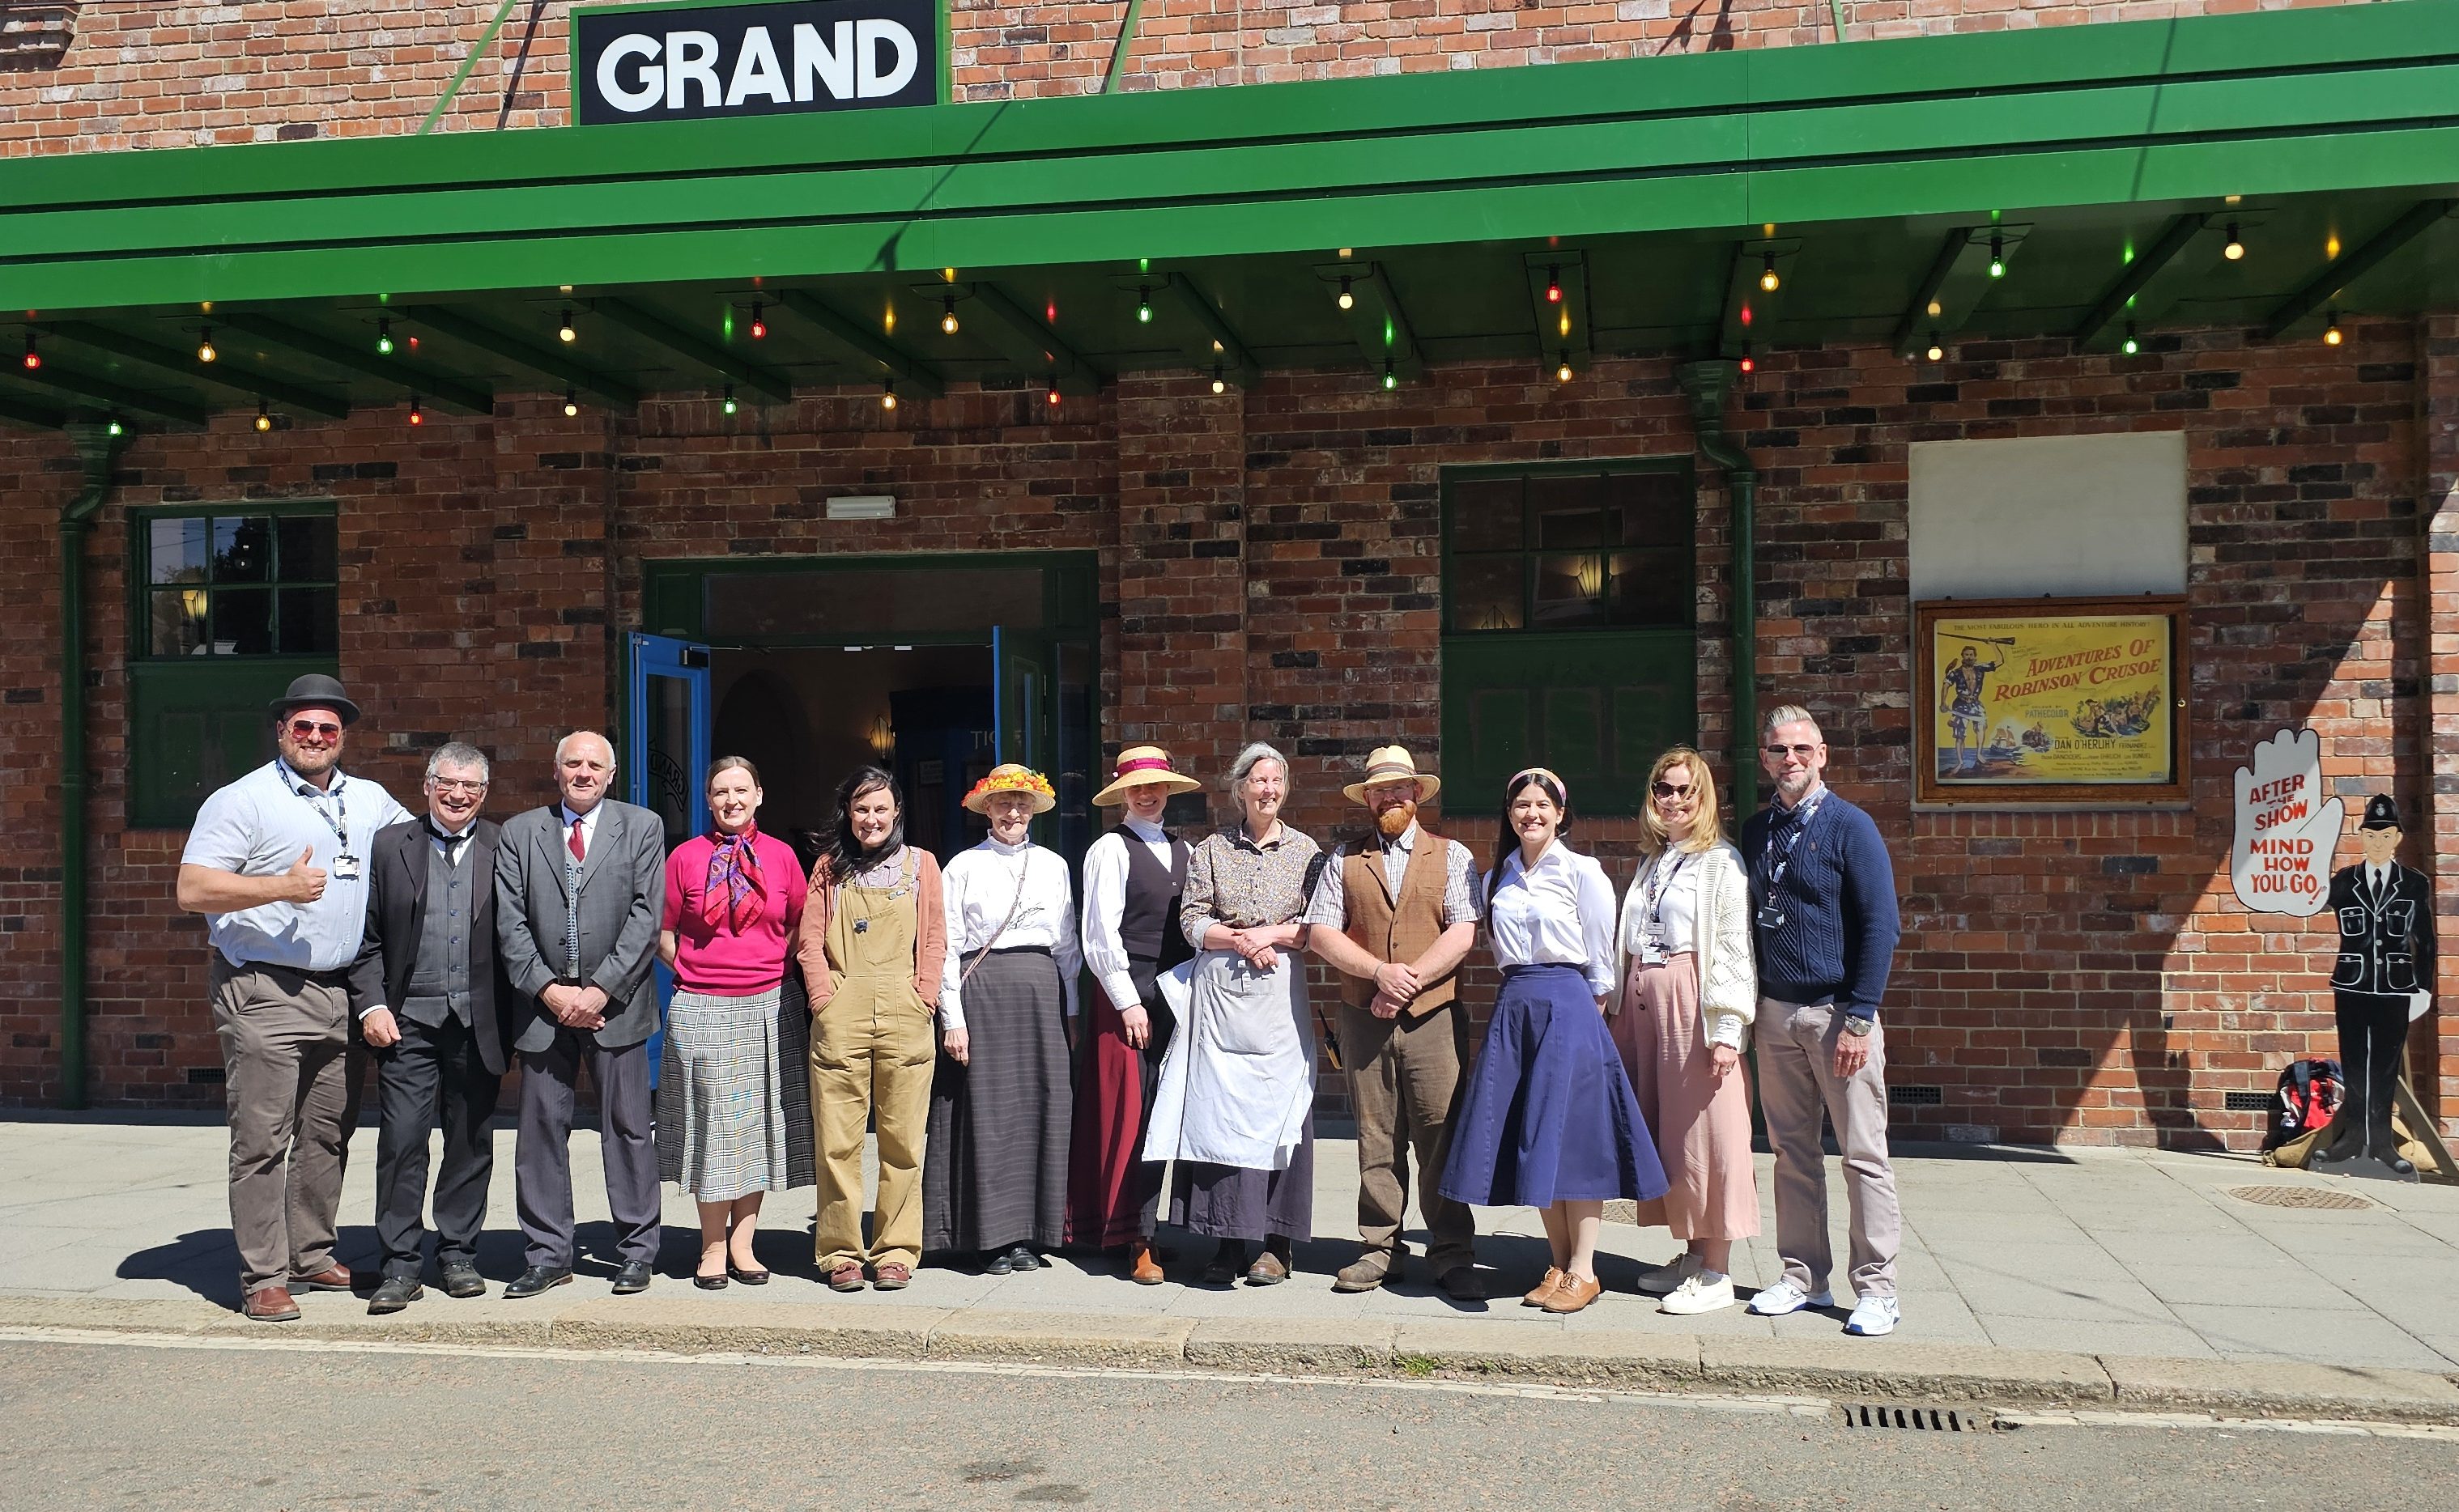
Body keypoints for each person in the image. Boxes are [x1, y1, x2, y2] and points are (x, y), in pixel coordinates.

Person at [177, 674, 410, 1321]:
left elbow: (420, 848)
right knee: (261, 1138)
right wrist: (277, 887)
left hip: (342, 991)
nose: (314, 738)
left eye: (328, 729)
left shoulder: (368, 799)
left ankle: (310, 1253)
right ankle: (262, 1276)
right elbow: (193, 889)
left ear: (343, 738)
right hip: (265, 989)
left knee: (328, 1133)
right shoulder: (242, 800)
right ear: (281, 731)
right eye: (302, 727)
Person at [1439, 767, 1666, 1316]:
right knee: (1531, 1136)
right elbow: (1496, 950)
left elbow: (1601, 955)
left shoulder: (1582, 871)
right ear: (1509, 813)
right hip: (1516, 1009)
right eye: (1521, 805)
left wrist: (1588, 1020)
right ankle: (1559, 1264)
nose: (1531, 813)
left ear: (1561, 813)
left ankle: (1586, 1269)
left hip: (1568, 1006)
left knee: (1575, 1142)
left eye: (1542, 804)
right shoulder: (1496, 878)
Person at [1740, 705, 1904, 1337]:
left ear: (1823, 754)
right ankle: (1803, 1277)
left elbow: (1880, 926)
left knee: (1863, 1155)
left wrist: (1860, 1017)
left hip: (1839, 1013)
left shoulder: (1850, 827)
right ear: (1764, 758)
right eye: (1779, 750)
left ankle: (1877, 1289)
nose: (1791, 760)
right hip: (1775, 1014)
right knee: (1791, 1153)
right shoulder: (1757, 833)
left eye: (1802, 749)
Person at [1304, 745, 1484, 1302]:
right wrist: (1379, 973)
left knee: (1439, 1134)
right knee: (1376, 1137)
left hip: (1433, 1017)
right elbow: (1321, 933)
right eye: (1380, 789)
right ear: (1368, 799)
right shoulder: (1342, 860)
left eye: (1400, 787)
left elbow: (1462, 929)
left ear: (1417, 794)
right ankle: (1379, 1248)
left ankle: (1451, 1250)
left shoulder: (1452, 856)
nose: (1391, 796)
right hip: (1364, 1019)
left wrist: (1409, 981)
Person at [494, 730, 668, 1299]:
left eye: (595, 765)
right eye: (574, 764)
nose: (584, 773)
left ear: (611, 774)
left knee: (626, 1130)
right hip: (544, 1011)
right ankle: (548, 1254)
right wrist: (549, 991)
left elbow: (646, 917)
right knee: (540, 1132)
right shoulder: (521, 833)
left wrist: (598, 992)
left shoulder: (641, 827)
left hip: (614, 1008)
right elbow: (509, 923)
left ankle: (637, 1251)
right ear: (556, 770)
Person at [347, 741, 515, 1314]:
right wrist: (371, 1005)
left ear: (484, 794)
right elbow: (367, 938)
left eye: (472, 787)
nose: (459, 794)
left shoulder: (503, 845)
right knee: (402, 1142)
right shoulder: (391, 845)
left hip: (479, 1019)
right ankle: (399, 1265)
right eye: (449, 783)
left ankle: (459, 1254)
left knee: (470, 1142)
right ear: (427, 785)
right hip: (407, 1021)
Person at [1144, 742, 1321, 1286]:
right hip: (1220, 996)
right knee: (1218, 1111)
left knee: (1279, 1110)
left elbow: (1314, 925)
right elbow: (1191, 921)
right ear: (1239, 788)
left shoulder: (1306, 851)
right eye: (1258, 781)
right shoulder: (1212, 851)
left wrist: (1266, 936)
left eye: (1276, 781)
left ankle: (1275, 1244)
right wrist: (1242, 942)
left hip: (1278, 999)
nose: (1268, 789)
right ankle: (1224, 1239)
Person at [1610, 746, 1758, 1316]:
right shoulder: (1656, 860)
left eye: (1684, 790)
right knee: (1673, 1138)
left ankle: (1718, 1270)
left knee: (1710, 1135)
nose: (1672, 800)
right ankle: (1693, 1255)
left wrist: (1726, 1029)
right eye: (1663, 789)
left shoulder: (1719, 862)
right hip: (1645, 1005)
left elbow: (1730, 947)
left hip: (1691, 1006)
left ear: (1703, 798)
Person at [656, 757, 812, 1289]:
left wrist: (770, 968)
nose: (731, 800)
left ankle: (744, 1245)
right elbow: (663, 928)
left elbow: (798, 923)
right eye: (720, 791)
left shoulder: (783, 857)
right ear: (708, 799)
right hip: (701, 1004)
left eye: (740, 790)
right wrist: (694, 969)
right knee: (712, 1127)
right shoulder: (685, 857)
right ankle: (711, 1246)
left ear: (759, 795)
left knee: (755, 1127)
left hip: (769, 1002)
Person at [795, 766, 947, 1293]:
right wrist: (823, 999)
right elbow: (808, 943)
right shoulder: (827, 870)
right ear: (849, 813)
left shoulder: (922, 867)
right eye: (861, 808)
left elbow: (934, 940)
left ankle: (895, 1251)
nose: (871, 818)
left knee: (902, 1141)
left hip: (906, 1015)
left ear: (896, 811)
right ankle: (839, 1251)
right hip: (842, 1015)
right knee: (837, 1143)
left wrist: (924, 994)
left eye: (880, 808)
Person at [925, 764, 1080, 1272]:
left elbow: (1068, 945)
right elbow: (946, 946)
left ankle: (1031, 1234)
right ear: (985, 809)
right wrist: (953, 1017)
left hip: (1042, 997)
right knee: (990, 1117)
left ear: (1033, 810)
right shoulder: (963, 867)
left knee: (1041, 1112)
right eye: (1002, 803)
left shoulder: (1056, 866)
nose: (1012, 812)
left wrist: (1072, 1010)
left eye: (1021, 804)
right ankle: (990, 1238)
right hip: (984, 996)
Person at [1066, 745, 1202, 1283]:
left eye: (1156, 785)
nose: (1147, 794)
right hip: (1125, 996)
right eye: (1137, 787)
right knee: (1128, 1119)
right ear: (1123, 794)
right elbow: (1098, 933)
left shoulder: (1184, 848)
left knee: (1168, 1116)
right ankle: (1133, 1238)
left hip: (1175, 995)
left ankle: (1159, 1227)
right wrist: (1126, 1002)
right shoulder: (1109, 850)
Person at [2309, 795, 2436, 1181]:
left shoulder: (2413, 883)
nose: (2378, 841)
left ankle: (2382, 1143)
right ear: (2361, 837)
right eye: (2371, 834)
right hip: (2351, 984)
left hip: (2396, 988)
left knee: (2384, 1067)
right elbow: (2307, 899)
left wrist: (2423, 990)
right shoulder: (2344, 882)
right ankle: (2352, 1139)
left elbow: (2426, 941)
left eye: (2386, 834)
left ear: (2397, 838)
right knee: (2354, 1064)